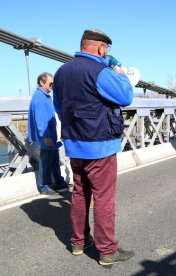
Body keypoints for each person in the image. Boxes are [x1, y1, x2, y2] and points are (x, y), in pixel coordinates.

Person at [53, 29, 134, 266]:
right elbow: (126, 96)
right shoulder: (101, 71)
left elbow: (59, 107)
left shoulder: (61, 72)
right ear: (101, 48)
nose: (107, 53)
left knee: (79, 194)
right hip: (100, 146)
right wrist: (119, 72)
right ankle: (107, 250)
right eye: (107, 49)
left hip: (74, 145)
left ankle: (78, 242)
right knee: (103, 199)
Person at [28, 72, 68, 195]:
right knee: (46, 162)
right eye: (51, 83)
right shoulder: (40, 98)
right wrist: (45, 136)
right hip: (46, 136)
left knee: (54, 160)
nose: (53, 86)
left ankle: (59, 182)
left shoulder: (45, 96)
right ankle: (44, 187)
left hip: (51, 135)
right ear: (41, 82)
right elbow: (41, 120)